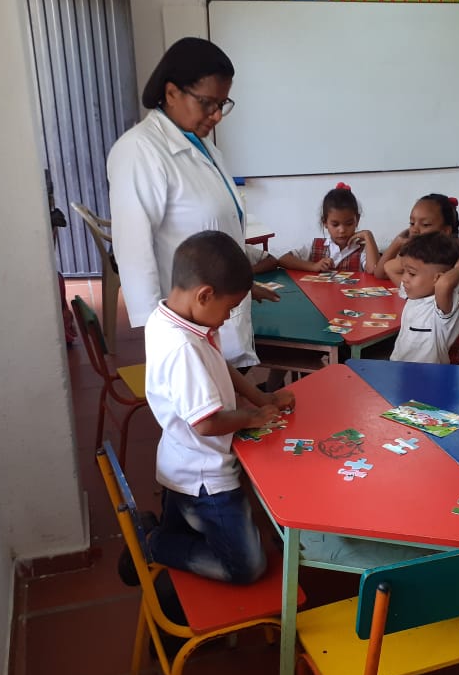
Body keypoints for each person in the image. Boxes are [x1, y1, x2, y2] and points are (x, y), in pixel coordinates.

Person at [107, 36, 277, 368]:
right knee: (201, 415)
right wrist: (162, 337)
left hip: (215, 316)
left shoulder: (205, 148)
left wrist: (242, 285)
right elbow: (133, 253)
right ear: (171, 93)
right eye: (207, 103)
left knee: (230, 406)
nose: (217, 116)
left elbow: (216, 231)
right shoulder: (139, 150)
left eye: (223, 104)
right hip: (183, 333)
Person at [140, 231, 295, 583]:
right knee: (247, 567)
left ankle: (164, 532)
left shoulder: (176, 318)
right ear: (204, 294)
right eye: (228, 308)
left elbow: (220, 363)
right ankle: (152, 543)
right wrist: (253, 417)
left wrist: (262, 398)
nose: (227, 317)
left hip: (183, 461)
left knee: (185, 518)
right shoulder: (182, 348)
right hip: (205, 475)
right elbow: (207, 424)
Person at [375, 193, 459, 364]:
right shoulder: (419, 286)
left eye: (425, 224)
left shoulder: (449, 282)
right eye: (411, 223)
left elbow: (443, 285)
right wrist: (401, 244)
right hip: (404, 366)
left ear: (446, 231)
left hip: (445, 368)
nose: (414, 230)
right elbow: (386, 268)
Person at [383, 232, 459, 364]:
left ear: (438, 278)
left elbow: (443, 285)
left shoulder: (444, 306)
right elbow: (389, 268)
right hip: (400, 367)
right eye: (404, 271)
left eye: (411, 273)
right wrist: (410, 256)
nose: (404, 278)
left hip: (429, 375)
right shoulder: (415, 293)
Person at [277, 183, 379, 274]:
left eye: (349, 223)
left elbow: (373, 270)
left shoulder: (363, 249)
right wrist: (313, 266)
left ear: (357, 220)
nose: (342, 230)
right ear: (325, 222)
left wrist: (368, 235)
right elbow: (283, 260)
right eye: (335, 224)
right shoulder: (315, 246)